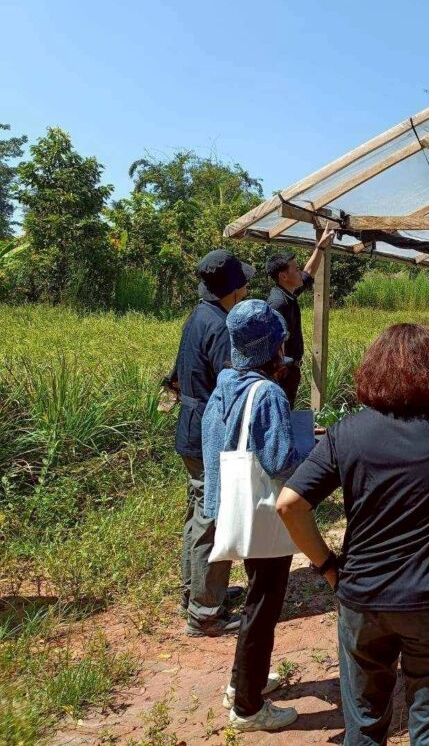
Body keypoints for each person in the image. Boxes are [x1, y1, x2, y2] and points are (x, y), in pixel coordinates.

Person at [276, 319, 429, 746]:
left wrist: (328, 566)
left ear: (372, 369)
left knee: (365, 724)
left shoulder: (346, 433)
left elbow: (289, 504)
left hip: (363, 598)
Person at [202, 299, 311, 731]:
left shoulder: (225, 384)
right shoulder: (267, 393)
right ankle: (248, 707)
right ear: (272, 346)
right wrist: (312, 450)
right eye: (281, 341)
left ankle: (241, 682)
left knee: (255, 598)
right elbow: (280, 461)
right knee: (263, 606)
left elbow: (219, 446)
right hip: (263, 513)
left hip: (233, 507)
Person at [171, 249, 254, 637]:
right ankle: (205, 612)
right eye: (244, 285)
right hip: (209, 432)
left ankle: (195, 592)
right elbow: (231, 387)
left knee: (198, 512)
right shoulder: (221, 327)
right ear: (233, 290)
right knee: (214, 518)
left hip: (190, 427)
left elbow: (175, 375)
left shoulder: (198, 316)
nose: (247, 291)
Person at [265, 228, 335, 406]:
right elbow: (273, 345)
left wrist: (320, 247)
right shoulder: (277, 304)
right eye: (296, 269)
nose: (300, 272)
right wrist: (283, 373)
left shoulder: (288, 293)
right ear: (283, 276)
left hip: (290, 370)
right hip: (282, 375)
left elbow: (309, 272)